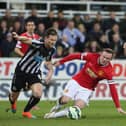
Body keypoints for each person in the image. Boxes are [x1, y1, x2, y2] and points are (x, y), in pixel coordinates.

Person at [44, 48, 126, 119]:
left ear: (111, 60)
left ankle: (52, 116)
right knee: (65, 100)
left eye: (107, 58)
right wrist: (61, 61)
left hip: (88, 89)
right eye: (104, 57)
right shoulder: (91, 56)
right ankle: (57, 106)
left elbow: (113, 88)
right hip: (76, 81)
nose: (104, 59)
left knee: (77, 108)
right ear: (100, 54)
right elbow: (75, 56)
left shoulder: (108, 71)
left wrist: (118, 106)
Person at [8, 28, 58, 119]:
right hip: (21, 71)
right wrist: (18, 37)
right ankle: (13, 102)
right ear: (46, 38)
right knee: (14, 95)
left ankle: (26, 112)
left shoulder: (52, 50)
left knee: (38, 93)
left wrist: (51, 71)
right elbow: (27, 40)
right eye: (51, 40)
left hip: (34, 73)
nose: (53, 42)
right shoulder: (39, 44)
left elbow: (48, 62)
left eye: (54, 40)